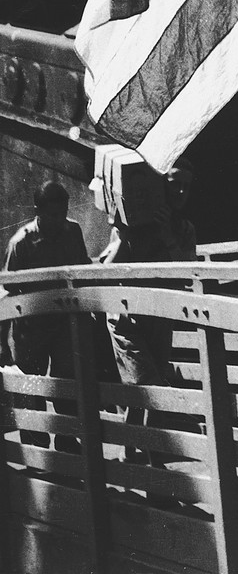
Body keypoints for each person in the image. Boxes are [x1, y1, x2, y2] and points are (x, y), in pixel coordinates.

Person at [100, 158, 197, 462]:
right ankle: (152, 459)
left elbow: (187, 272)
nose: (180, 191)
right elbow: (106, 268)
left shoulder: (184, 229)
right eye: (174, 184)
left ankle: (132, 454)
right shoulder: (132, 223)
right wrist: (123, 233)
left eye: (186, 187)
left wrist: (168, 234)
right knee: (148, 385)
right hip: (126, 316)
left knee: (142, 388)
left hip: (158, 315)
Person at [0, 180, 90, 451]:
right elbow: (9, 289)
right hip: (31, 326)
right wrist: (4, 340)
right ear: (37, 210)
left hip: (64, 324)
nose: (58, 220)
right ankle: (36, 449)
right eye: (52, 214)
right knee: (32, 387)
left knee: (67, 381)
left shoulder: (72, 231)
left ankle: (66, 439)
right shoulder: (22, 242)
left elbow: (83, 270)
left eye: (62, 212)